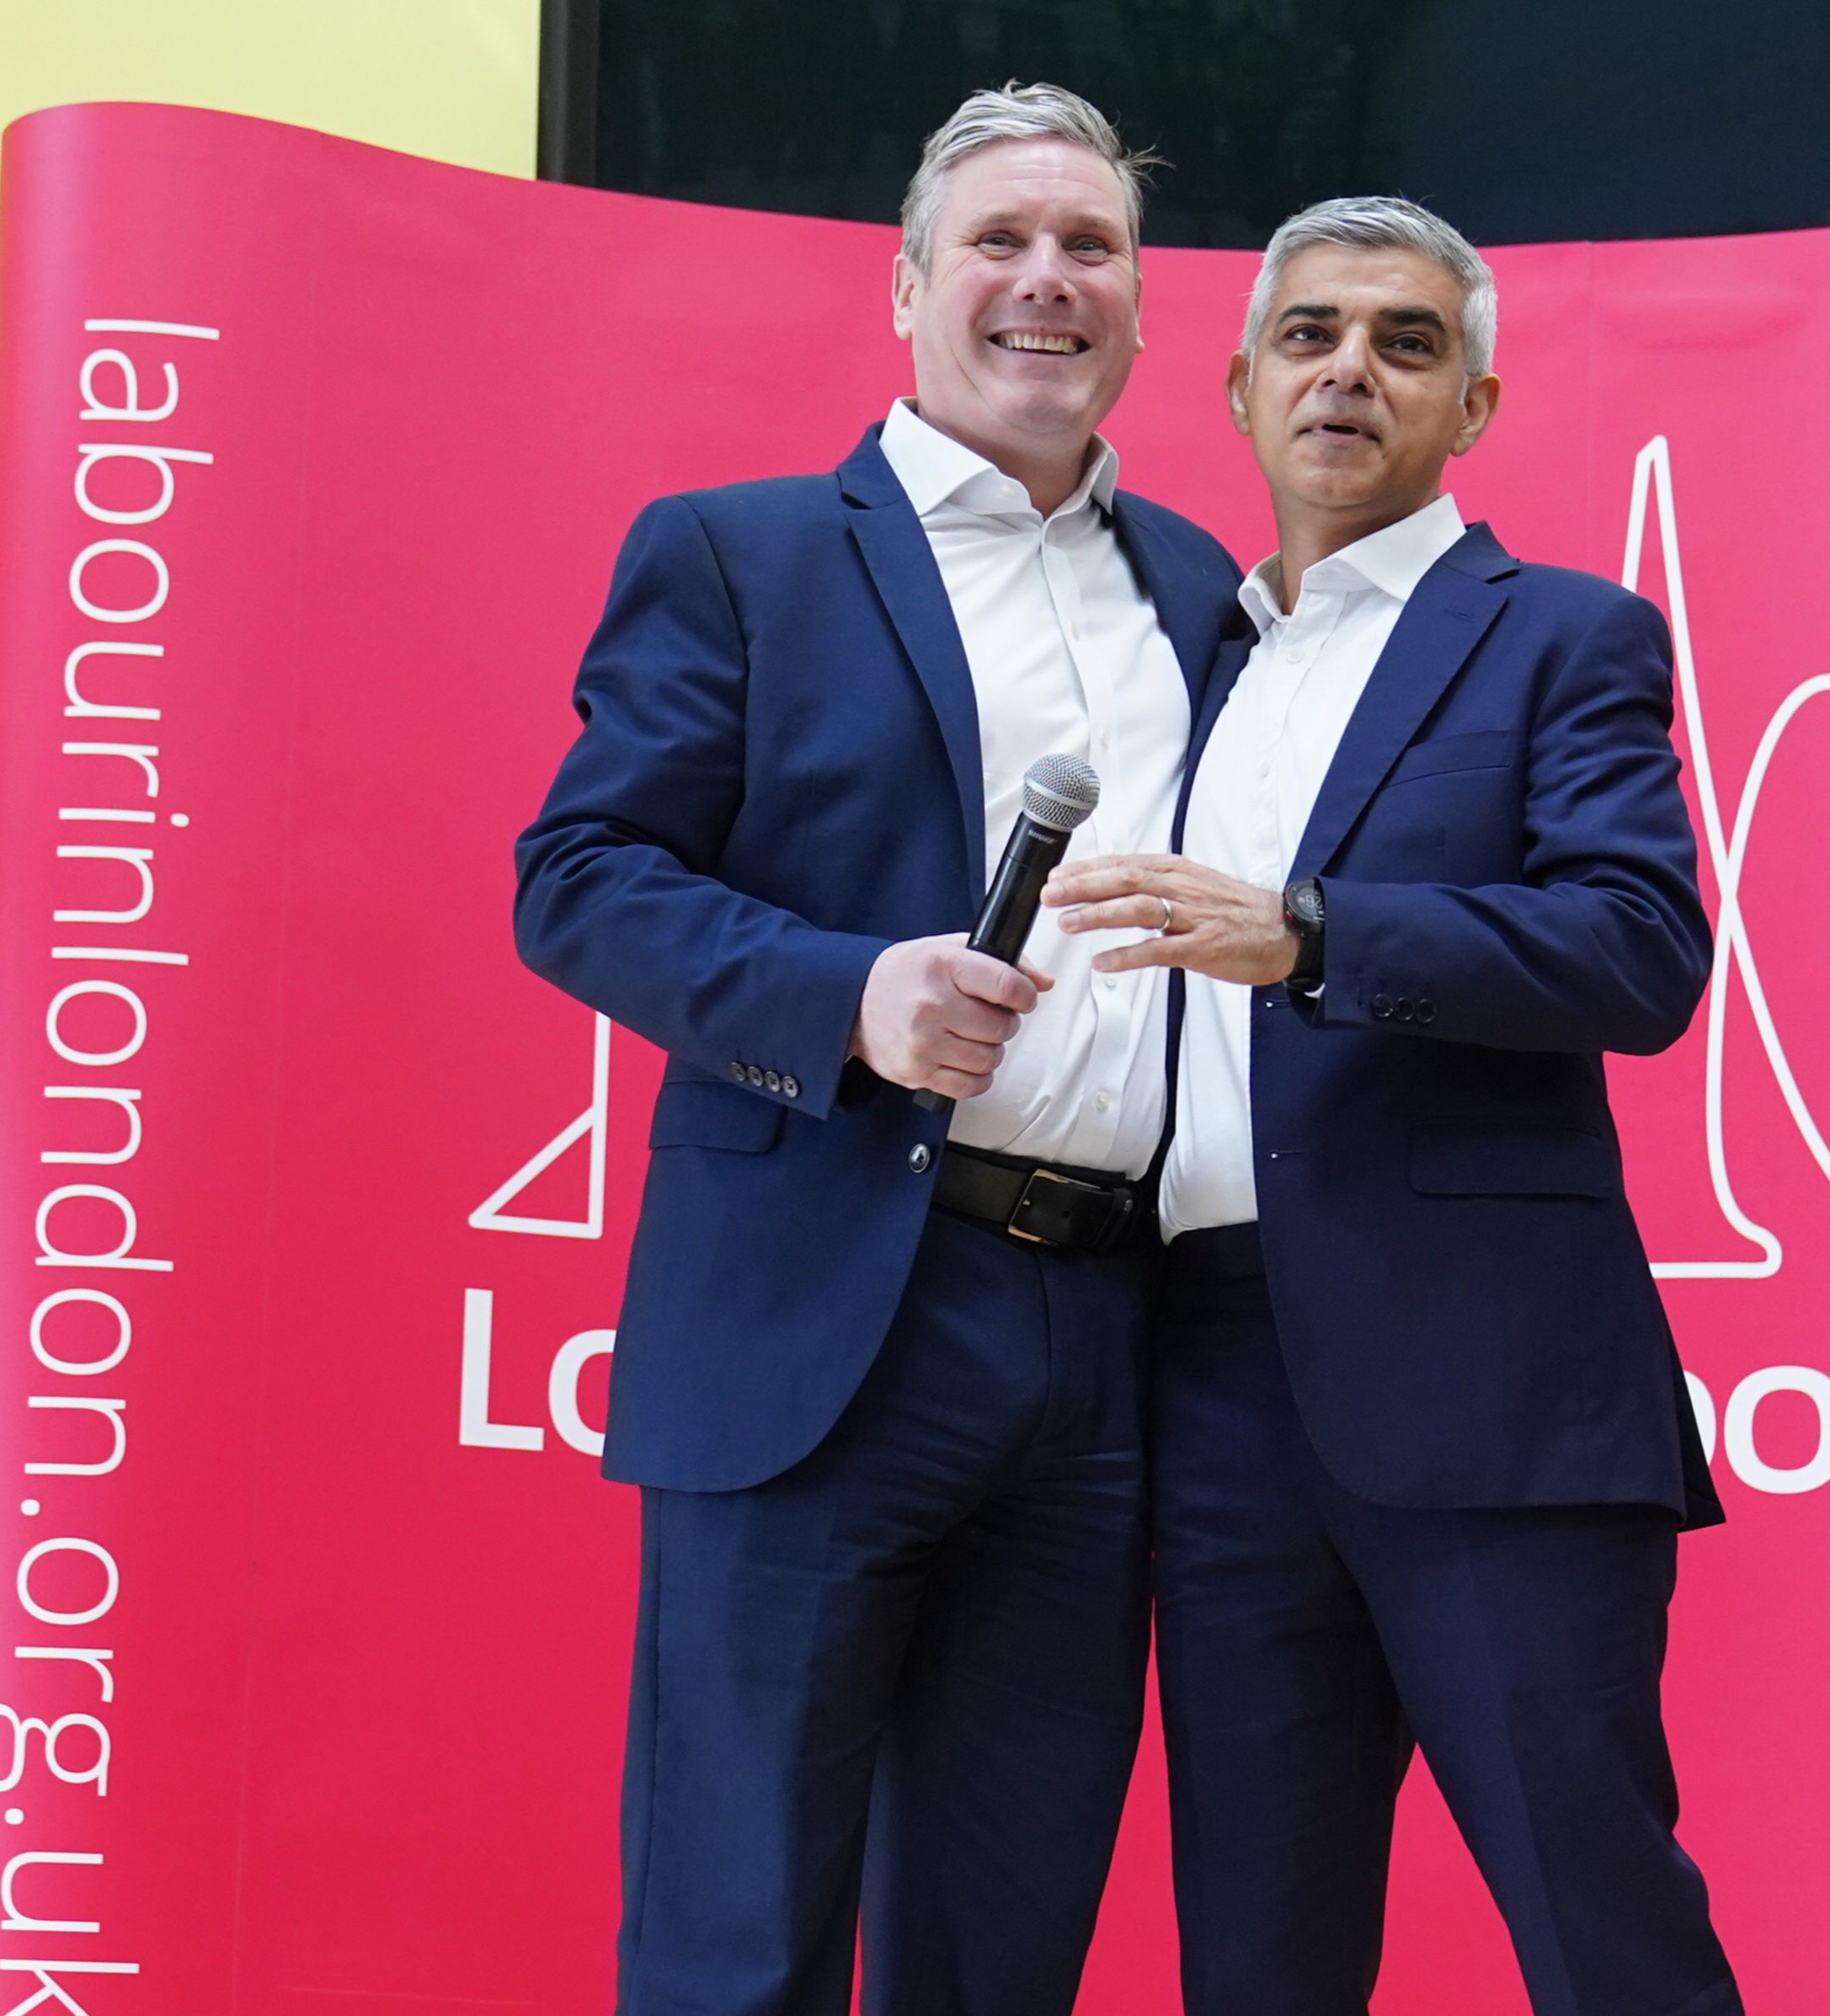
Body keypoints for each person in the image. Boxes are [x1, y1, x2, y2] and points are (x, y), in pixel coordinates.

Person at [511, 83, 1241, 2016]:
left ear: (1143, 316)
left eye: (1090, 246)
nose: (1045, 279)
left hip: (1108, 1347)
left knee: (1006, 1952)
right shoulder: (740, 555)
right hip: (827, 1316)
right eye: (999, 241)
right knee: (738, 1939)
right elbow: (577, 877)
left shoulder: (1205, 596)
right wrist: (849, 996)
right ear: (909, 292)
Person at [1043, 195, 1744, 2016]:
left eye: (1406, 342)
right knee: (1256, 1959)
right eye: (1311, 334)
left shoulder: (1562, 638)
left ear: (1476, 405)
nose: (1350, 368)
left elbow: (1640, 949)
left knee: (1605, 1931)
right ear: (1240, 384)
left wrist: (1312, 931)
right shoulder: (1168, 662)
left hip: (1492, 1390)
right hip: (1205, 1385)